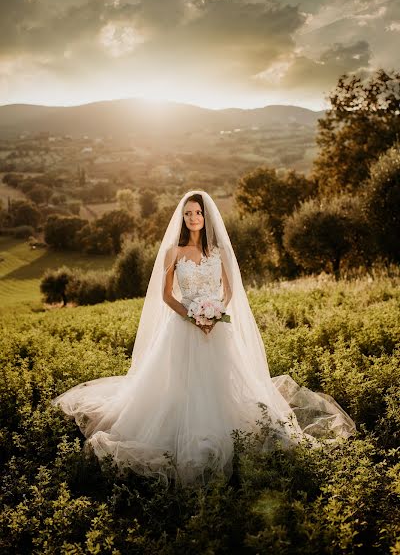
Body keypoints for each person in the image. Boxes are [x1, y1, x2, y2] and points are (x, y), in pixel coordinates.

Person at [51, 189, 356, 486]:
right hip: (182, 328)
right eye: (188, 213)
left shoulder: (218, 251)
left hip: (217, 327)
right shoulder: (174, 252)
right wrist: (191, 315)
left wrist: (215, 312)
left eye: (198, 213)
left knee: (221, 382)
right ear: (182, 218)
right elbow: (166, 295)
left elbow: (230, 289)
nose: (193, 217)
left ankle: (231, 431)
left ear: (205, 216)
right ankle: (184, 436)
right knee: (183, 384)